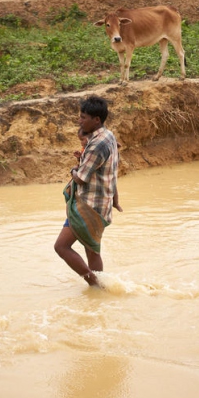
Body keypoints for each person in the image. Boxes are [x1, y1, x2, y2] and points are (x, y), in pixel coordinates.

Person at [54, 96, 120, 287]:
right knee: (92, 250)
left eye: (83, 117)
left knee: (61, 247)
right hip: (101, 204)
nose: (79, 120)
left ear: (96, 120)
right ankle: (100, 287)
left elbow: (81, 177)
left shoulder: (97, 144)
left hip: (88, 206)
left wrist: (73, 169)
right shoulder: (109, 136)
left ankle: (94, 282)